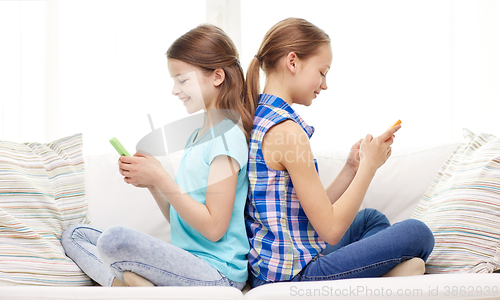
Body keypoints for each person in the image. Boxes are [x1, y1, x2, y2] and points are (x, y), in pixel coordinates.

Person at [243, 17, 435, 288]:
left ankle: (374, 273)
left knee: (371, 219)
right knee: (418, 233)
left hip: (277, 266)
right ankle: (381, 278)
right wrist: (370, 166)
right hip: (293, 277)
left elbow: (309, 211)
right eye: (322, 72)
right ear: (293, 62)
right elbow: (331, 231)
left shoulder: (261, 116)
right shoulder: (287, 132)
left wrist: (350, 168)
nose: (324, 84)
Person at [61, 24, 252, 289]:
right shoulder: (196, 136)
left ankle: (132, 286)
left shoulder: (227, 137)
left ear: (217, 76)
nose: (175, 90)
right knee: (75, 234)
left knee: (114, 239)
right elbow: (180, 220)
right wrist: (152, 183)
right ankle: (128, 287)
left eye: (182, 80)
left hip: (218, 273)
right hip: (188, 261)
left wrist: (161, 178)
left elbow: (214, 228)